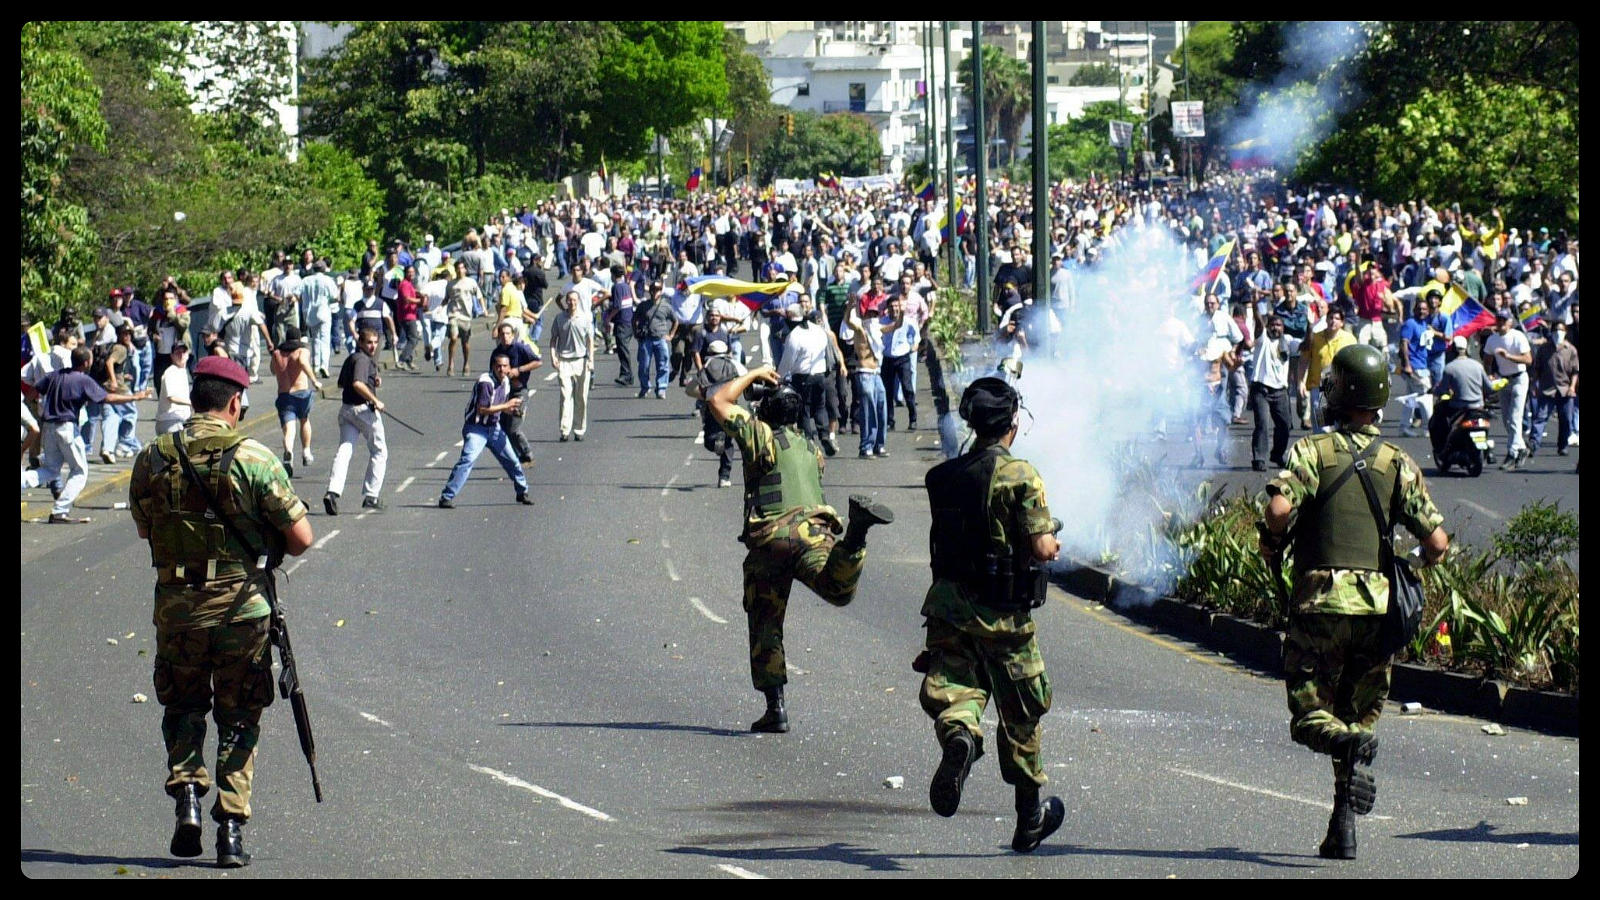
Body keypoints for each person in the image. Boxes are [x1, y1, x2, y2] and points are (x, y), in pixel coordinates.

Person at [1260, 344, 1448, 860]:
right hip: (1378, 610)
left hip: (1321, 604)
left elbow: (1279, 509)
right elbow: (1437, 544)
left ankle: (1343, 748)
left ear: (1336, 394)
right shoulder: (1398, 462)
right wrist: (1403, 569)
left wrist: (1274, 540)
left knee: (1310, 716)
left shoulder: (1312, 451)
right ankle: (1342, 828)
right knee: (1356, 719)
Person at [129, 354, 314, 868]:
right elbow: (301, 538)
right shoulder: (254, 458)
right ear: (235, 402)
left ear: (194, 399)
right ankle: (230, 829)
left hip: (178, 611)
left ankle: (187, 793)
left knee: (183, 707)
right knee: (239, 715)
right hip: (242, 610)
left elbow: (146, 530)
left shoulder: (151, 458)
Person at [918, 377, 1066, 853]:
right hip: (1004, 615)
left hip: (949, 607)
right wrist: (1048, 539)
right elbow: (1042, 547)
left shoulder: (942, 477)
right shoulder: (1020, 474)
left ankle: (960, 737)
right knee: (1022, 712)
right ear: (1013, 424)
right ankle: (1028, 819)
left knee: (958, 690)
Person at [707, 363, 894, 733]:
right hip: (814, 531)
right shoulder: (812, 449)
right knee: (838, 589)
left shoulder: (760, 435)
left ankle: (775, 707)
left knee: (765, 622)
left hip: (771, 540)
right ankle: (854, 534)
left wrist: (754, 374)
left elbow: (718, 399)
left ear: (766, 411)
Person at [21, 345, 150, 523]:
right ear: (87, 362)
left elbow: (33, 391)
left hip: (49, 428)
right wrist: (136, 397)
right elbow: (108, 398)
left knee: (50, 469)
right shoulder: (83, 380)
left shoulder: (55, 375)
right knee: (80, 471)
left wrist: (29, 405)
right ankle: (60, 510)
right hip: (67, 428)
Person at [438, 351, 533, 508]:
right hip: (477, 429)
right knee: (467, 460)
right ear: (493, 367)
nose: (502, 370)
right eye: (498, 366)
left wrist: (511, 411)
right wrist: (506, 406)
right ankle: (447, 496)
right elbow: (482, 408)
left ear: (509, 368)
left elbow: (497, 407)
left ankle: (522, 492)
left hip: (494, 428)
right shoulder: (485, 382)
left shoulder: (506, 382)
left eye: (505, 366)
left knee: (513, 461)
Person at [323, 328, 389, 515]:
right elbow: (357, 383)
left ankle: (332, 492)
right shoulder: (362, 359)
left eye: (375, 342)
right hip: (363, 410)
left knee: (344, 450)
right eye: (369, 342)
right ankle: (371, 495)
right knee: (379, 451)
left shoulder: (352, 358)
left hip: (346, 410)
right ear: (360, 342)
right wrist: (375, 400)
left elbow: (342, 383)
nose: (373, 346)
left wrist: (372, 380)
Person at [1429, 336, 1497, 462]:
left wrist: (1434, 390)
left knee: (1439, 419)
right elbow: (1489, 388)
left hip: (1458, 407)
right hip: (1478, 407)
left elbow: (1442, 389)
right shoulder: (1478, 366)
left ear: (1453, 350)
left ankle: (1441, 448)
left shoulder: (1450, 368)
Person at [1249, 315, 1302, 470]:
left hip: (1280, 391)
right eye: (1273, 325)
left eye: (1279, 325)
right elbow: (1258, 324)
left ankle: (1277, 454)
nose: (1275, 328)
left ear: (1283, 328)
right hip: (1261, 390)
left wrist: (1310, 325)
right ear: (1268, 326)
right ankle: (1259, 459)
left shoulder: (1288, 341)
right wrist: (1255, 306)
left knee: (1285, 425)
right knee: (1262, 424)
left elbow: (1305, 345)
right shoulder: (1262, 339)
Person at [269, 325, 323, 478]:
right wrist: (314, 381)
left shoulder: (277, 353)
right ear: (299, 338)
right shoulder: (302, 351)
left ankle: (289, 453)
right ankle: (306, 451)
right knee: (304, 420)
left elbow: (273, 370)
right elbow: (303, 362)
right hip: (301, 393)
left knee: (289, 429)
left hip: (284, 395)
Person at [1483, 310, 1533, 470]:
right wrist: (1490, 374)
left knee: (1514, 417)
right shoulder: (1492, 339)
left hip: (1519, 378)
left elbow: (1528, 359)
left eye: (1504, 320)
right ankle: (1522, 447)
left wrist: (1508, 356)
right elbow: (1487, 359)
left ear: (1510, 322)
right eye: (1498, 320)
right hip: (1503, 379)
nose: (1501, 323)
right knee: (1506, 418)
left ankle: (1512, 453)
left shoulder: (1518, 337)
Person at [1527, 320, 1579, 457]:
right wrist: (1534, 385)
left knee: (1566, 419)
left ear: (1565, 332)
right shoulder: (1544, 349)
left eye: (1561, 330)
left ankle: (1563, 445)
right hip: (1547, 388)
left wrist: (1572, 387)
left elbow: (1575, 371)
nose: (1558, 333)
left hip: (1565, 389)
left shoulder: (1571, 350)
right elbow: (1537, 369)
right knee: (1540, 417)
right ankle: (1533, 444)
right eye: (1555, 330)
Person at [548, 290, 595, 441]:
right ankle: (564, 430)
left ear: (578, 301)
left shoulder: (585, 318)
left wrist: (590, 360)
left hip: (581, 360)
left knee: (581, 397)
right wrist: (553, 356)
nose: (572, 303)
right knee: (565, 395)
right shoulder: (560, 318)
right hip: (564, 361)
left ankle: (579, 429)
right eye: (569, 300)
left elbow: (590, 340)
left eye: (575, 300)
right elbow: (553, 339)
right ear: (566, 301)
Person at [492, 322, 542, 464]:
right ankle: (515, 457)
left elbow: (537, 362)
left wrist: (518, 370)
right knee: (502, 428)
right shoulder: (497, 353)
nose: (505, 337)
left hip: (519, 392)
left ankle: (526, 452)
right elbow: (492, 373)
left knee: (514, 427)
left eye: (508, 334)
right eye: (502, 334)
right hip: (503, 394)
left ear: (513, 335)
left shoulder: (520, 348)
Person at [156, 343, 194, 435]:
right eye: (177, 352)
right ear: (172, 356)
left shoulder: (183, 372)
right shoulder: (171, 372)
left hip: (179, 420)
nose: (181, 355)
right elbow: (171, 397)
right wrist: (192, 403)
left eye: (183, 352)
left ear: (188, 355)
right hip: (171, 421)